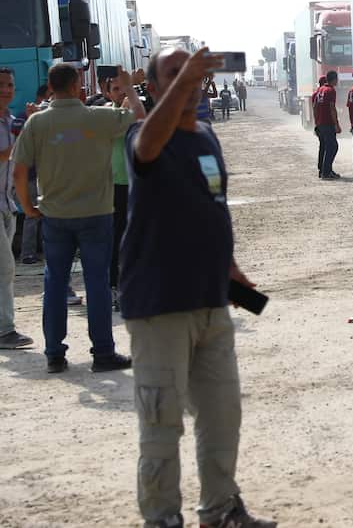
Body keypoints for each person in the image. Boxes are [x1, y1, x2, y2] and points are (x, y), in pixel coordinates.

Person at [121, 47, 276, 528]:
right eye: (174, 72)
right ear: (155, 86)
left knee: (223, 414)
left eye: (191, 70)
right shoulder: (143, 138)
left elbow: (213, 205)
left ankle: (221, 508)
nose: (186, 77)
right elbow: (147, 147)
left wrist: (231, 269)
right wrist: (184, 85)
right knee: (162, 422)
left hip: (211, 302)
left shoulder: (207, 137)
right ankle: (162, 518)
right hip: (159, 306)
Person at [12, 62, 145, 374]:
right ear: (76, 85)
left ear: (51, 85)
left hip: (55, 214)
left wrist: (28, 208)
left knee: (54, 283)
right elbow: (139, 115)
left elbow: (19, 170)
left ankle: (55, 354)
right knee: (96, 283)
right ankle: (102, 353)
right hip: (96, 213)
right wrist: (128, 86)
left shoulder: (37, 124)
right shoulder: (98, 117)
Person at [0, 67, 34, 349]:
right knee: (5, 267)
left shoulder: (11, 121)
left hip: (6, 203)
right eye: (1, 85)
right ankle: (5, 330)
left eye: (10, 84)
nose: (6, 90)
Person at [108, 76, 136, 312]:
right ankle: (113, 288)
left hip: (135, 185)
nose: (120, 93)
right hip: (114, 186)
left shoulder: (136, 112)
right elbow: (118, 125)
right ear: (107, 93)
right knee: (115, 240)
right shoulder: (104, 114)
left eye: (123, 89)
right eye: (116, 89)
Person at [18, 83, 50, 266]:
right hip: (31, 175)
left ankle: (37, 250)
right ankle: (28, 253)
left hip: (36, 174)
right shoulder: (29, 118)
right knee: (32, 215)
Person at [313, 71, 341, 179]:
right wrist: (336, 124)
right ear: (333, 79)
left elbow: (315, 106)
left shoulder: (320, 90)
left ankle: (324, 170)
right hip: (328, 123)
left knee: (324, 146)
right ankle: (326, 171)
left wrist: (316, 121)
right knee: (333, 147)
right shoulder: (330, 91)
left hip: (320, 123)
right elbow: (332, 108)